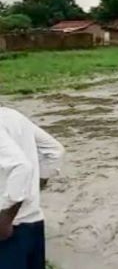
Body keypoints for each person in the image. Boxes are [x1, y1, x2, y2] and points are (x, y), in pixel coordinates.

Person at [0, 107, 64, 269]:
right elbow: (55, 151)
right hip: (34, 222)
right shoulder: (13, 116)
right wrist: (32, 190)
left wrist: (6, 218)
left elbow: (21, 166)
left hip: (8, 228)